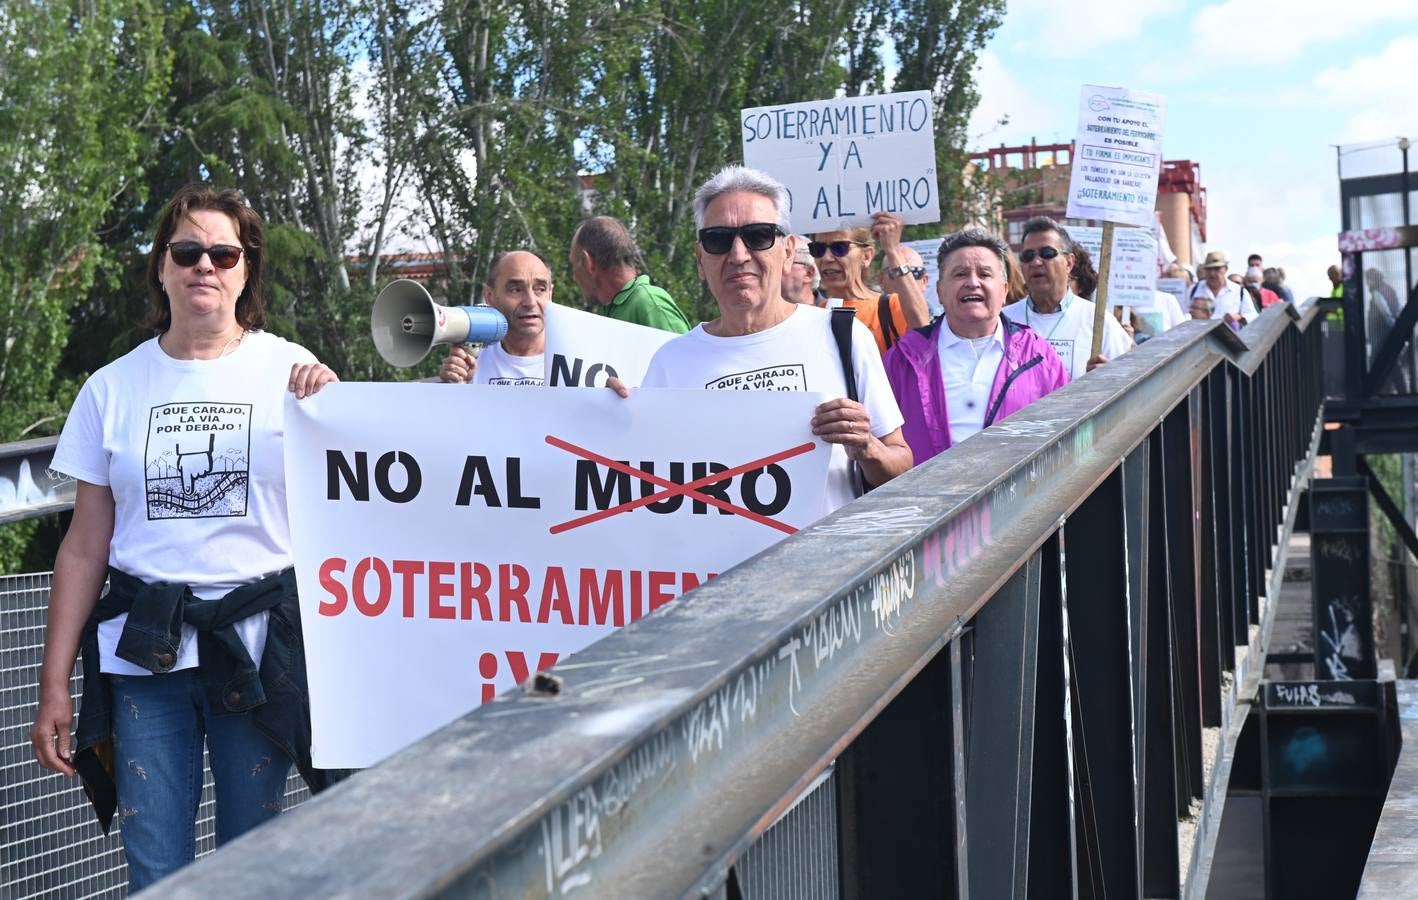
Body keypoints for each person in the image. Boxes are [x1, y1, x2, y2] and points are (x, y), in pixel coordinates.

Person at [30, 184, 339, 892]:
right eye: (188, 250)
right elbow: (83, 547)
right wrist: (54, 685)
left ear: (246, 268)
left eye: (223, 252)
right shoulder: (109, 390)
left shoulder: (294, 373)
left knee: (250, 867)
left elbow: (353, 499)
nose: (206, 265)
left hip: (256, 656)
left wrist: (334, 409)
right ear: (162, 268)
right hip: (146, 660)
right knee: (156, 870)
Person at [614, 165, 912, 510]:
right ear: (700, 259)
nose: (738, 256)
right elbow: (640, 488)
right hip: (721, 563)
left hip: (831, 562)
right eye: (718, 240)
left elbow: (902, 464)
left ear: (787, 252)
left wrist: (867, 448)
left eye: (758, 237)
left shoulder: (842, 335)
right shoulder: (671, 361)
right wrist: (608, 422)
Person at [883, 228, 1070, 464]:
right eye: (960, 274)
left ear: (1003, 290)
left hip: (1018, 499)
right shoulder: (903, 359)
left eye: (984, 274)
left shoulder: (1040, 358)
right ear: (940, 291)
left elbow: (1065, 443)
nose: (973, 283)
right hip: (924, 499)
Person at [1000, 216, 1132, 379]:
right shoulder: (1004, 320)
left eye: (1047, 253)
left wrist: (1108, 377)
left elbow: (1128, 382)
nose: (1035, 262)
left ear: (1069, 263)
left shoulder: (1098, 320)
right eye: (1028, 256)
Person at [809, 211, 930, 354]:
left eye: (839, 248)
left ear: (866, 256)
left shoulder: (889, 307)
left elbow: (922, 329)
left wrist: (893, 251)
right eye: (818, 249)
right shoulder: (811, 315)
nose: (827, 258)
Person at [438, 250, 553, 385]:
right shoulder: (471, 359)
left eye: (540, 289)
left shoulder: (576, 357)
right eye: (516, 290)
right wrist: (457, 388)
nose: (531, 302)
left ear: (550, 294)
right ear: (489, 296)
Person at [569, 215, 691, 333]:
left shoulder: (649, 304)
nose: (574, 278)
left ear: (588, 262)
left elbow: (687, 354)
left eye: (574, 265)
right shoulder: (614, 312)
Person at [1189, 251, 1257, 326]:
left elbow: (1253, 317)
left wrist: (1239, 317)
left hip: (1229, 336)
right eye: (1209, 269)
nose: (1212, 274)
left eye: (1216, 269)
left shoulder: (1239, 291)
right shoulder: (1194, 289)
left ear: (1226, 269)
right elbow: (1183, 316)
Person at [781, 237, 825, 305]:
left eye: (784, 262)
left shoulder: (834, 313)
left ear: (808, 273)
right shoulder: (762, 313)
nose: (774, 269)